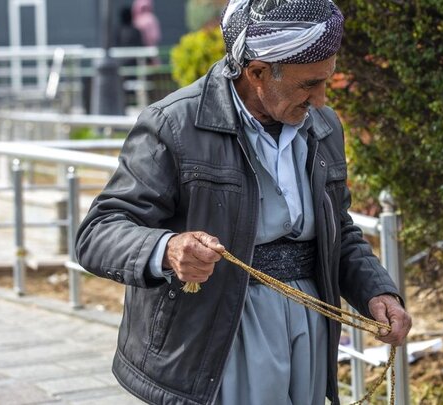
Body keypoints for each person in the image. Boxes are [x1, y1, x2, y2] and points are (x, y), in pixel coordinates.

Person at [75, 0, 412, 404]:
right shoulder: (174, 124)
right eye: (309, 85)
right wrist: (168, 249)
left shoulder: (323, 127)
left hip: (308, 330)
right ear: (256, 72)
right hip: (218, 335)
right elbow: (99, 232)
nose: (321, 99)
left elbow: (338, 230)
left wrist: (377, 292)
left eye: (326, 81)